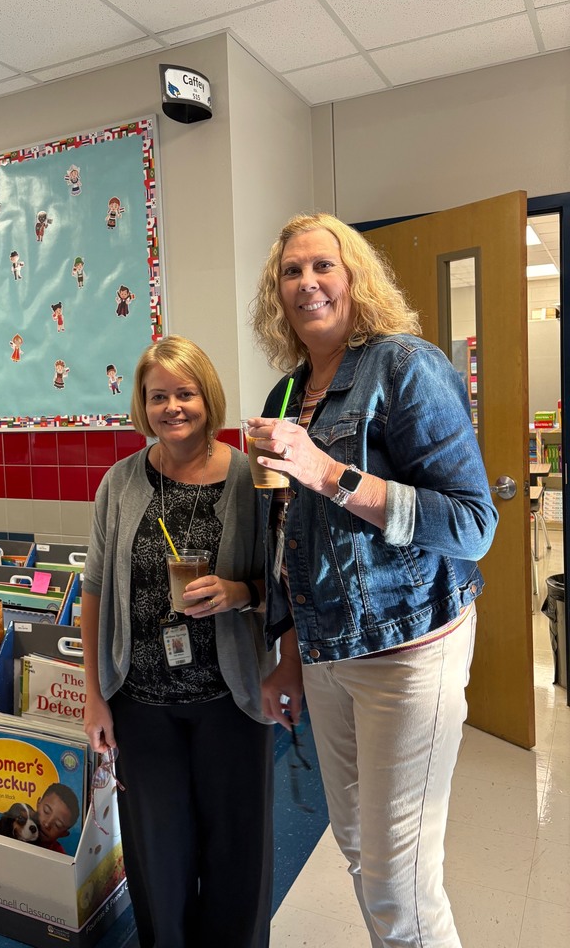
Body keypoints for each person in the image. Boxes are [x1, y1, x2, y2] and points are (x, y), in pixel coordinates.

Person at [247, 213, 498, 948]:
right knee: (358, 849)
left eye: (323, 266)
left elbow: (473, 525)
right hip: (328, 657)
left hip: (411, 648)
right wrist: (287, 650)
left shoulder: (405, 366)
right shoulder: (286, 398)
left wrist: (329, 473)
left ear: (354, 277)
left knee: (399, 879)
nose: (307, 283)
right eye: (291, 272)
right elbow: (288, 536)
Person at [82, 335, 274, 948]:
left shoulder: (249, 478)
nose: (172, 407)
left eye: (185, 393)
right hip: (142, 704)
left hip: (231, 701)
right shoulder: (119, 484)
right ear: (142, 404)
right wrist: (94, 696)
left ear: (206, 397)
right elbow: (92, 593)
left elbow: (282, 582)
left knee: (236, 859)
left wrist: (239, 593)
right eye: (158, 395)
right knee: (157, 862)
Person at [35, 783, 80, 853]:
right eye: (46, 811)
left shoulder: (59, 855)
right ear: (38, 803)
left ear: (63, 834)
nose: (47, 824)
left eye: (57, 825)